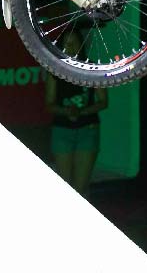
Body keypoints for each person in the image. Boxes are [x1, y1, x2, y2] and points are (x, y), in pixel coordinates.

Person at [44, 28, 108, 196]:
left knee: (81, 187)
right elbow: (49, 104)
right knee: (64, 186)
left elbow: (103, 102)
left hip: (88, 129)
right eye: (66, 43)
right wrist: (67, 111)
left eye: (74, 43)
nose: (70, 47)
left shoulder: (92, 68)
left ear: (81, 44)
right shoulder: (54, 70)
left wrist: (82, 111)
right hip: (62, 130)